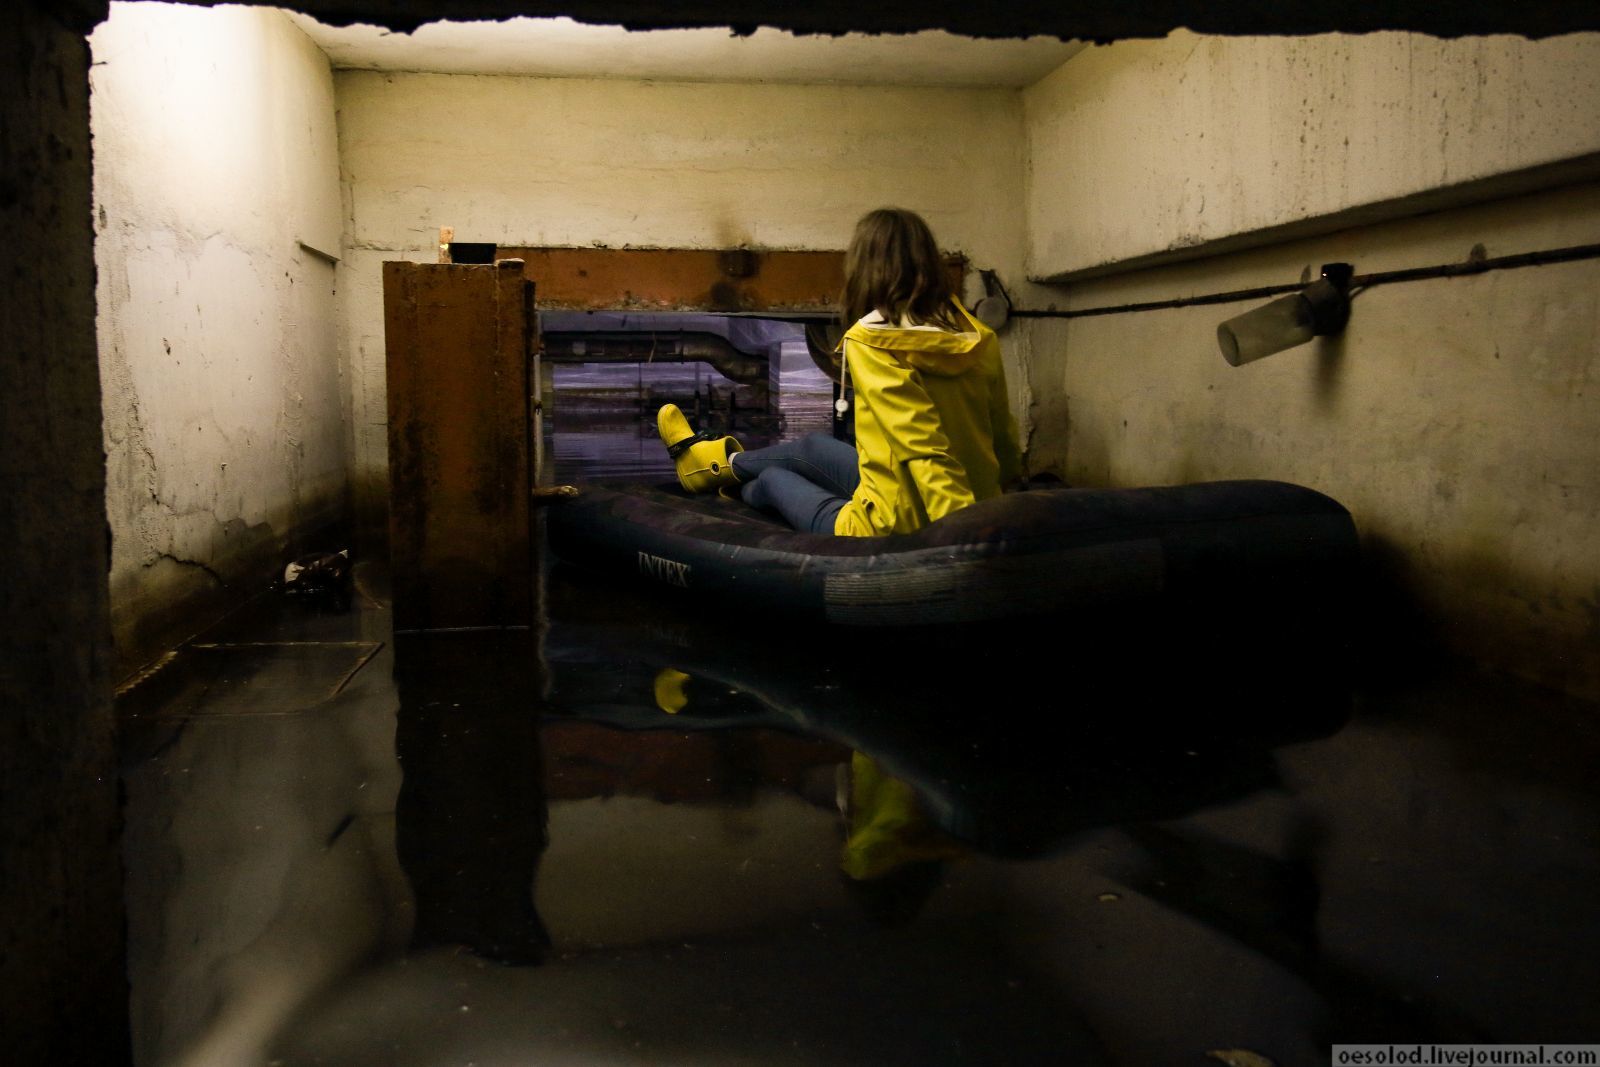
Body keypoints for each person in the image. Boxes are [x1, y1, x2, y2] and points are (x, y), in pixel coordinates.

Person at [656, 206, 1022, 536]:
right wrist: (996, 499)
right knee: (813, 446)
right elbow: (1002, 435)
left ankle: (722, 480)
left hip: (897, 520)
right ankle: (708, 462)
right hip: (958, 495)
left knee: (772, 479)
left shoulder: (873, 342)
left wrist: (965, 530)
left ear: (863, 269)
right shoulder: (978, 335)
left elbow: (923, 446)